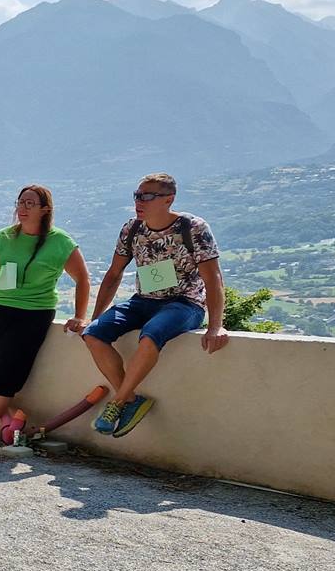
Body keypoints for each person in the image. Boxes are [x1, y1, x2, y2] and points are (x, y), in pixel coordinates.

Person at [81, 173, 230, 437]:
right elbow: (114, 274)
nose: (139, 201)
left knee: (150, 336)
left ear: (168, 200)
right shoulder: (132, 229)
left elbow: (213, 277)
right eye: (137, 195)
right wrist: (96, 317)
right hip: (144, 299)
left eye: (147, 196)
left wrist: (216, 326)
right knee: (93, 335)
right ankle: (130, 400)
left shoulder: (193, 227)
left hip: (184, 304)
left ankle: (116, 403)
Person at [0, 184, 90, 448]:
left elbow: (82, 278)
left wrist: (80, 315)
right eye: (20, 203)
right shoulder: (2, 238)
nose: (22, 209)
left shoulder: (61, 242)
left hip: (32, 314)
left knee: (7, 374)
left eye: (30, 204)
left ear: (45, 209)